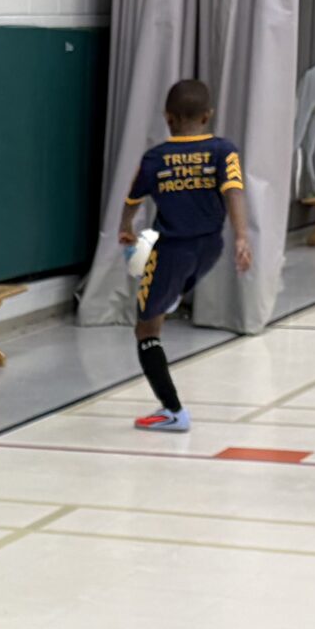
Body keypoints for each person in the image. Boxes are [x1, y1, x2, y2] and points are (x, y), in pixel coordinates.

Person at [114, 77, 252, 432]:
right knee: (172, 290)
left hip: (171, 251)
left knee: (145, 330)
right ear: (208, 115)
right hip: (211, 247)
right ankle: (173, 294)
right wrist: (241, 237)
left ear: (168, 117)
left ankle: (173, 411)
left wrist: (125, 227)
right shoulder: (224, 151)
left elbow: (132, 199)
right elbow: (234, 192)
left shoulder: (154, 158)